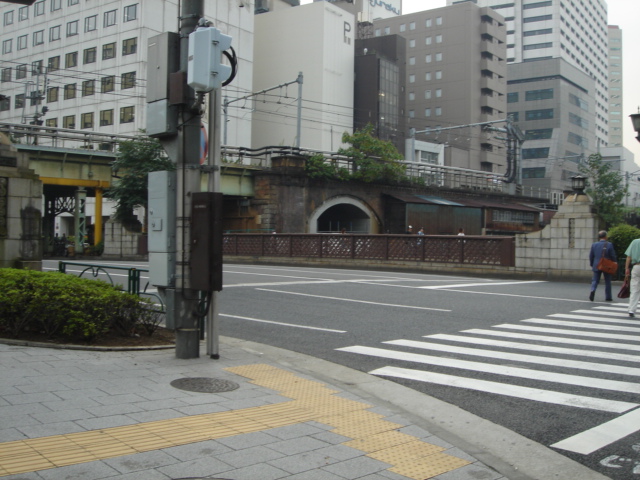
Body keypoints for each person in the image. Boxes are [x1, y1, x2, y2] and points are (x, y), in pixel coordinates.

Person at [588, 230, 617, 302]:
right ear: (606, 236)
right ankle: (608, 297)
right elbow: (612, 255)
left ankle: (593, 290)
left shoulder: (594, 244)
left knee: (595, 280)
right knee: (607, 281)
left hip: (596, 264)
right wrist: (615, 262)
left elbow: (591, 256)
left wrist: (592, 264)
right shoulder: (609, 244)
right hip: (606, 265)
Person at [625, 237, 640, 317]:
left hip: (636, 266)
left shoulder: (635, 242)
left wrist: (627, 268)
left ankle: (631, 309)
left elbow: (629, 257)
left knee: (634, 289)